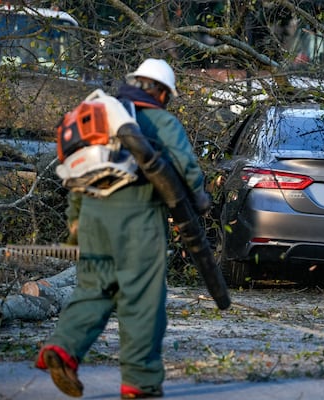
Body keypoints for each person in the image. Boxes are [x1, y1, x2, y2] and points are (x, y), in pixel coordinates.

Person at [35, 58, 211, 399]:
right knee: (142, 301)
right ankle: (140, 383)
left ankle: (62, 349)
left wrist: (76, 223)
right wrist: (200, 199)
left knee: (93, 291)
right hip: (139, 219)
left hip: (91, 216)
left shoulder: (99, 115)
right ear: (161, 93)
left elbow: (76, 172)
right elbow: (186, 166)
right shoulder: (160, 120)